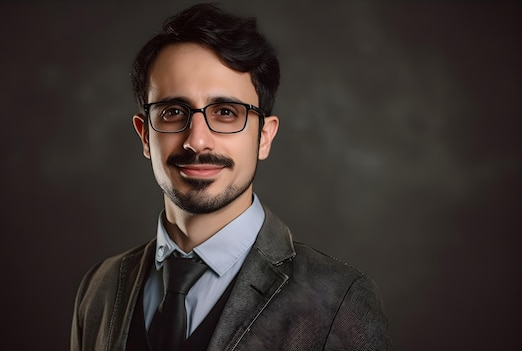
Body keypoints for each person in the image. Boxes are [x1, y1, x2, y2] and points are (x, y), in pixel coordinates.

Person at [71, 3, 392, 350]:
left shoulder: (338, 301)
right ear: (145, 135)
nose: (196, 140)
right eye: (173, 111)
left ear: (264, 137)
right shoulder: (99, 288)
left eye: (226, 112)